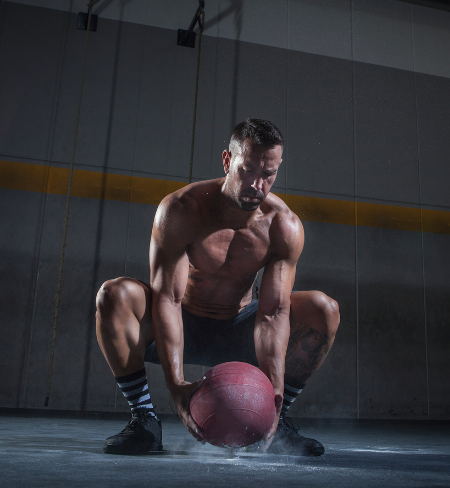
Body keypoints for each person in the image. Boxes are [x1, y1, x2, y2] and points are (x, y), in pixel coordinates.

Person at [94, 118, 339, 456]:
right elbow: (167, 298)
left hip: (240, 328)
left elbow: (272, 313)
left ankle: (279, 420)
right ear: (228, 161)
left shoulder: (283, 225)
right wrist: (177, 385)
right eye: (247, 169)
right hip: (182, 320)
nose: (257, 184)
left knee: (323, 310)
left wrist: (274, 391)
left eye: (268, 174)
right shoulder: (182, 210)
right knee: (114, 295)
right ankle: (145, 419)